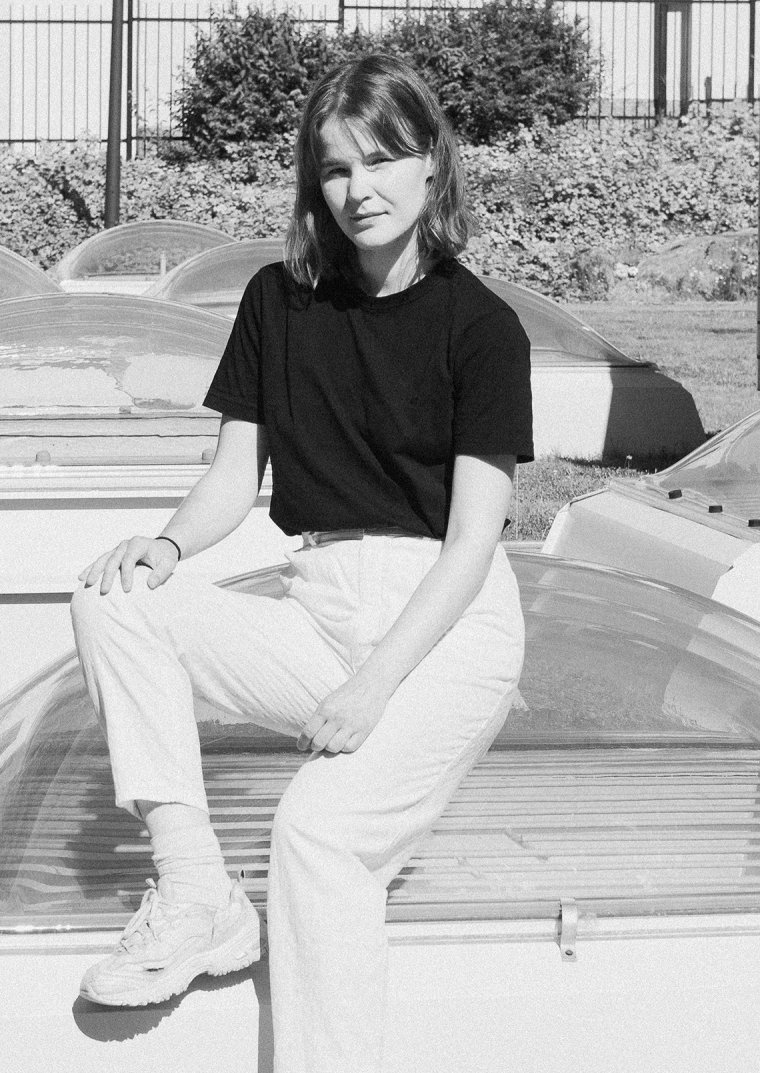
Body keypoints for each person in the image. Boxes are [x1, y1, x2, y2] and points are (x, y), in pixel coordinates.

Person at [70, 52, 533, 1073]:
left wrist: (374, 686)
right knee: (115, 596)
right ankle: (196, 890)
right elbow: (234, 476)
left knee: (317, 831)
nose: (358, 189)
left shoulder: (482, 328)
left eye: (382, 160)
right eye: (334, 168)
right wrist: (166, 545)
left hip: (442, 629)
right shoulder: (278, 303)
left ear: (431, 162)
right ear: (311, 181)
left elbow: (473, 542)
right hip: (318, 602)